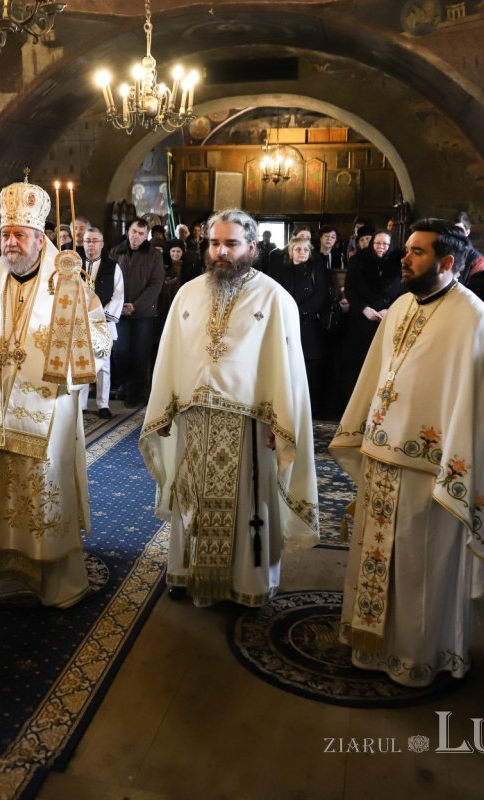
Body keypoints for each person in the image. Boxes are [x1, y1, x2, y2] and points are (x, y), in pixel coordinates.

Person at [330, 218, 484, 687]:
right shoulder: (401, 306)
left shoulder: (473, 319)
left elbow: (480, 409)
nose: (404, 259)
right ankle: (371, 646)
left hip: (432, 470)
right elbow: (378, 375)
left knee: (419, 564)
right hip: (382, 457)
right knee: (375, 557)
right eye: (405, 250)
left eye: (416, 252)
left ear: (447, 262)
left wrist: (456, 467)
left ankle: (418, 656)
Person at [140, 208, 318, 607]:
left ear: (252, 247)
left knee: (249, 506)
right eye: (214, 243)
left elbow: (287, 366)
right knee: (193, 498)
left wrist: (281, 420)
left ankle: (248, 583)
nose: (221, 252)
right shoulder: (188, 293)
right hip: (194, 418)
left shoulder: (274, 297)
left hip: (249, 424)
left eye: (231, 244)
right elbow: (171, 353)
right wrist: (164, 408)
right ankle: (186, 574)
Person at [0, 175, 111, 607]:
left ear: (40, 240)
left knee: (43, 487)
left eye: (19, 235)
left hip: (47, 408)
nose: (10, 244)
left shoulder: (69, 286)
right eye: (5, 235)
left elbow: (99, 336)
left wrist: (79, 344)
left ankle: (52, 577)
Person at [335, 230, 403, 411]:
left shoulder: (399, 260)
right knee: (357, 364)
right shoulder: (359, 260)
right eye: (378, 243)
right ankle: (355, 406)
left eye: (385, 244)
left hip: (388, 318)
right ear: (372, 243)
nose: (381, 247)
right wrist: (364, 308)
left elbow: (405, 291)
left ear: (390, 246)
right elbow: (350, 289)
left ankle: (380, 406)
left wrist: (389, 310)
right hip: (361, 318)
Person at [268, 232, 332, 414]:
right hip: (286, 322)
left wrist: (301, 311)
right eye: (298, 249)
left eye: (306, 249)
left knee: (309, 365)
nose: (302, 252)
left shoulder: (316, 269)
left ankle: (309, 407)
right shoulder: (281, 270)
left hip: (309, 323)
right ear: (290, 252)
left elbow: (321, 294)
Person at [109, 217, 164, 406]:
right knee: (120, 351)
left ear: (146, 235)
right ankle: (124, 384)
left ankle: (134, 392)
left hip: (143, 314)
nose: (137, 236)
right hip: (119, 312)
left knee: (139, 354)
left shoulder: (154, 255)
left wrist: (136, 306)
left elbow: (156, 284)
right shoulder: (116, 252)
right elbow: (110, 281)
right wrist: (119, 305)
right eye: (134, 232)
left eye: (141, 234)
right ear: (128, 232)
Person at [78, 226, 122, 418]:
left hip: (102, 321)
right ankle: (81, 404)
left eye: (95, 241)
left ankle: (103, 404)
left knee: (103, 364)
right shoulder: (74, 265)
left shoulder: (113, 266)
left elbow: (118, 295)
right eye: (87, 240)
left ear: (102, 244)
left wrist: (99, 314)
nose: (91, 245)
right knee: (82, 362)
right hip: (79, 321)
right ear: (83, 243)